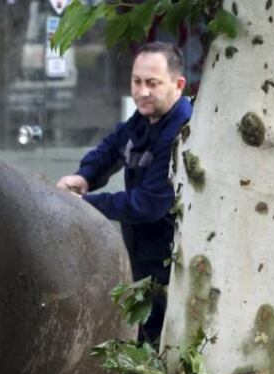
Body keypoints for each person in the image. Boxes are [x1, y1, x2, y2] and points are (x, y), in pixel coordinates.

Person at [56, 42, 192, 344]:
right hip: (143, 258)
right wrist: (84, 176)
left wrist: (84, 204)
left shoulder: (182, 129)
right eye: (137, 81)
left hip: (174, 264)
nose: (142, 91)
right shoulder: (144, 118)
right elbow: (112, 147)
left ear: (178, 84)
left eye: (152, 84)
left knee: (163, 344)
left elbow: (148, 204)